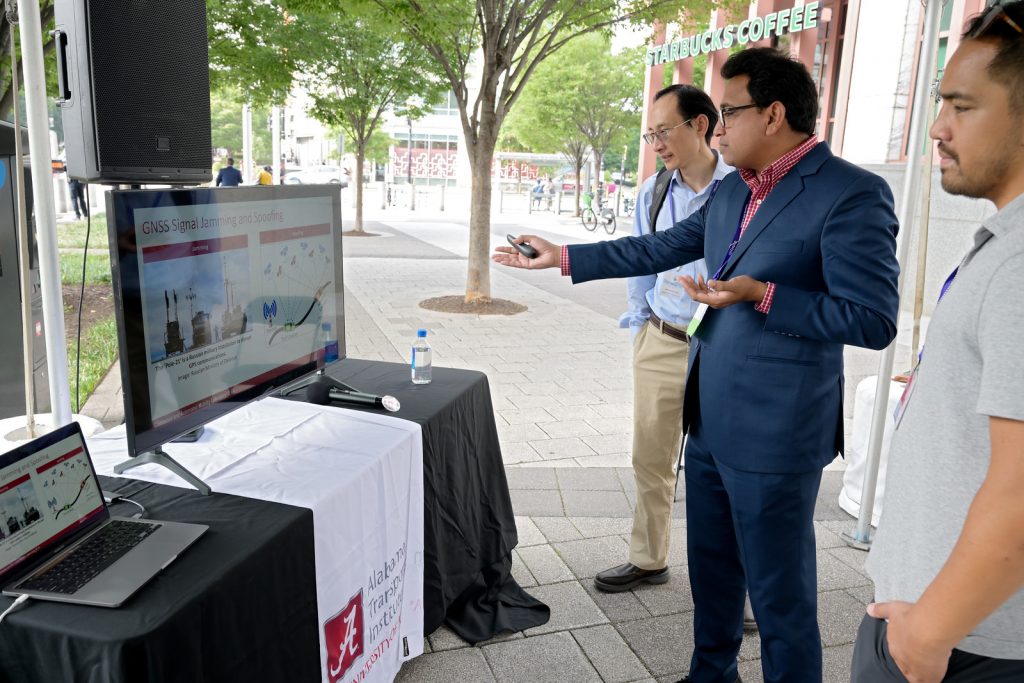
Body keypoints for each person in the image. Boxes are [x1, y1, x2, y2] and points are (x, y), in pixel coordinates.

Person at [494, 47, 900, 683]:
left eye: (728, 112)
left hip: (776, 430)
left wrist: (761, 294)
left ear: (773, 114)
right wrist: (563, 256)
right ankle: (711, 674)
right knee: (711, 572)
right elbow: (660, 245)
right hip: (708, 413)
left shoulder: (850, 193)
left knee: (778, 595)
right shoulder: (733, 188)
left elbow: (872, 320)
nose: (717, 128)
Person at [853, 4, 1024, 682]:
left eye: (962, 106)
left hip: (961, 643)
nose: (937, 127)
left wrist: (927, 632)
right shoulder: (1004, 242)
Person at [597, 85, 731, 597]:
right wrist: (641, 326)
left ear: (700, 124)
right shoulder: (654, 191)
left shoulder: (738, 188)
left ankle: (732, 586)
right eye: (650, 134)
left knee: (723, 469)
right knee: (651, 457)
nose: (656, 143)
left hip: (722, 347)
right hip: (663, 337)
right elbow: (639, 260)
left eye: (663, 131)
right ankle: (648, 559)